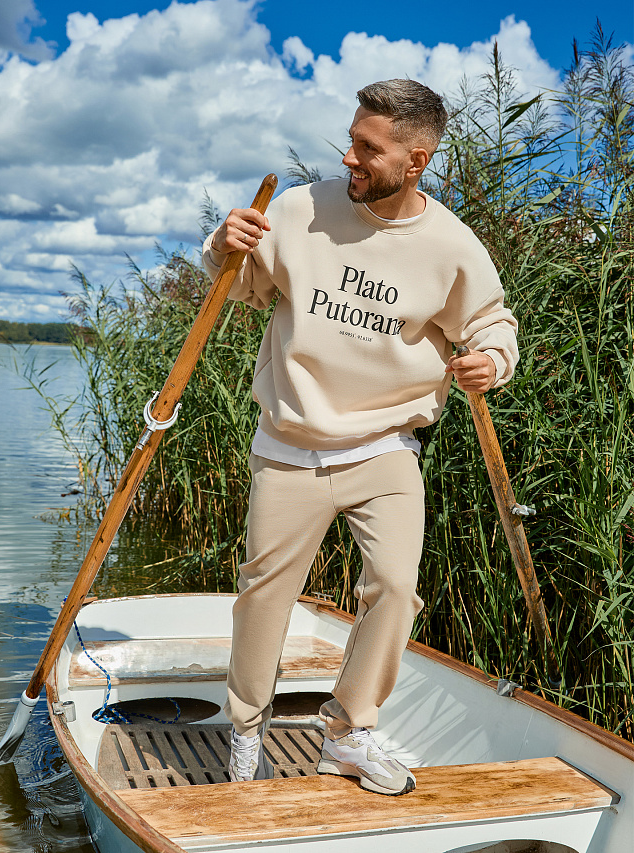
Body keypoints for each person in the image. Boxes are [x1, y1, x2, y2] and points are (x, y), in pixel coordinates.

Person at [202, 79, 519, 796]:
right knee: (264, 596)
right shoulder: (300, 209)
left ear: (416, 160)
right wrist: (224, 247)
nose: (349, 157)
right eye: (351, 140)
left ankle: (348, 733)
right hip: (290, 441)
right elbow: (240, 285)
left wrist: (490, 361)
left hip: (384, 444)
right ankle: (246, 734)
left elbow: (492, 324)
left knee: (397, 587)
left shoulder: (451, 245)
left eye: (368, 149)